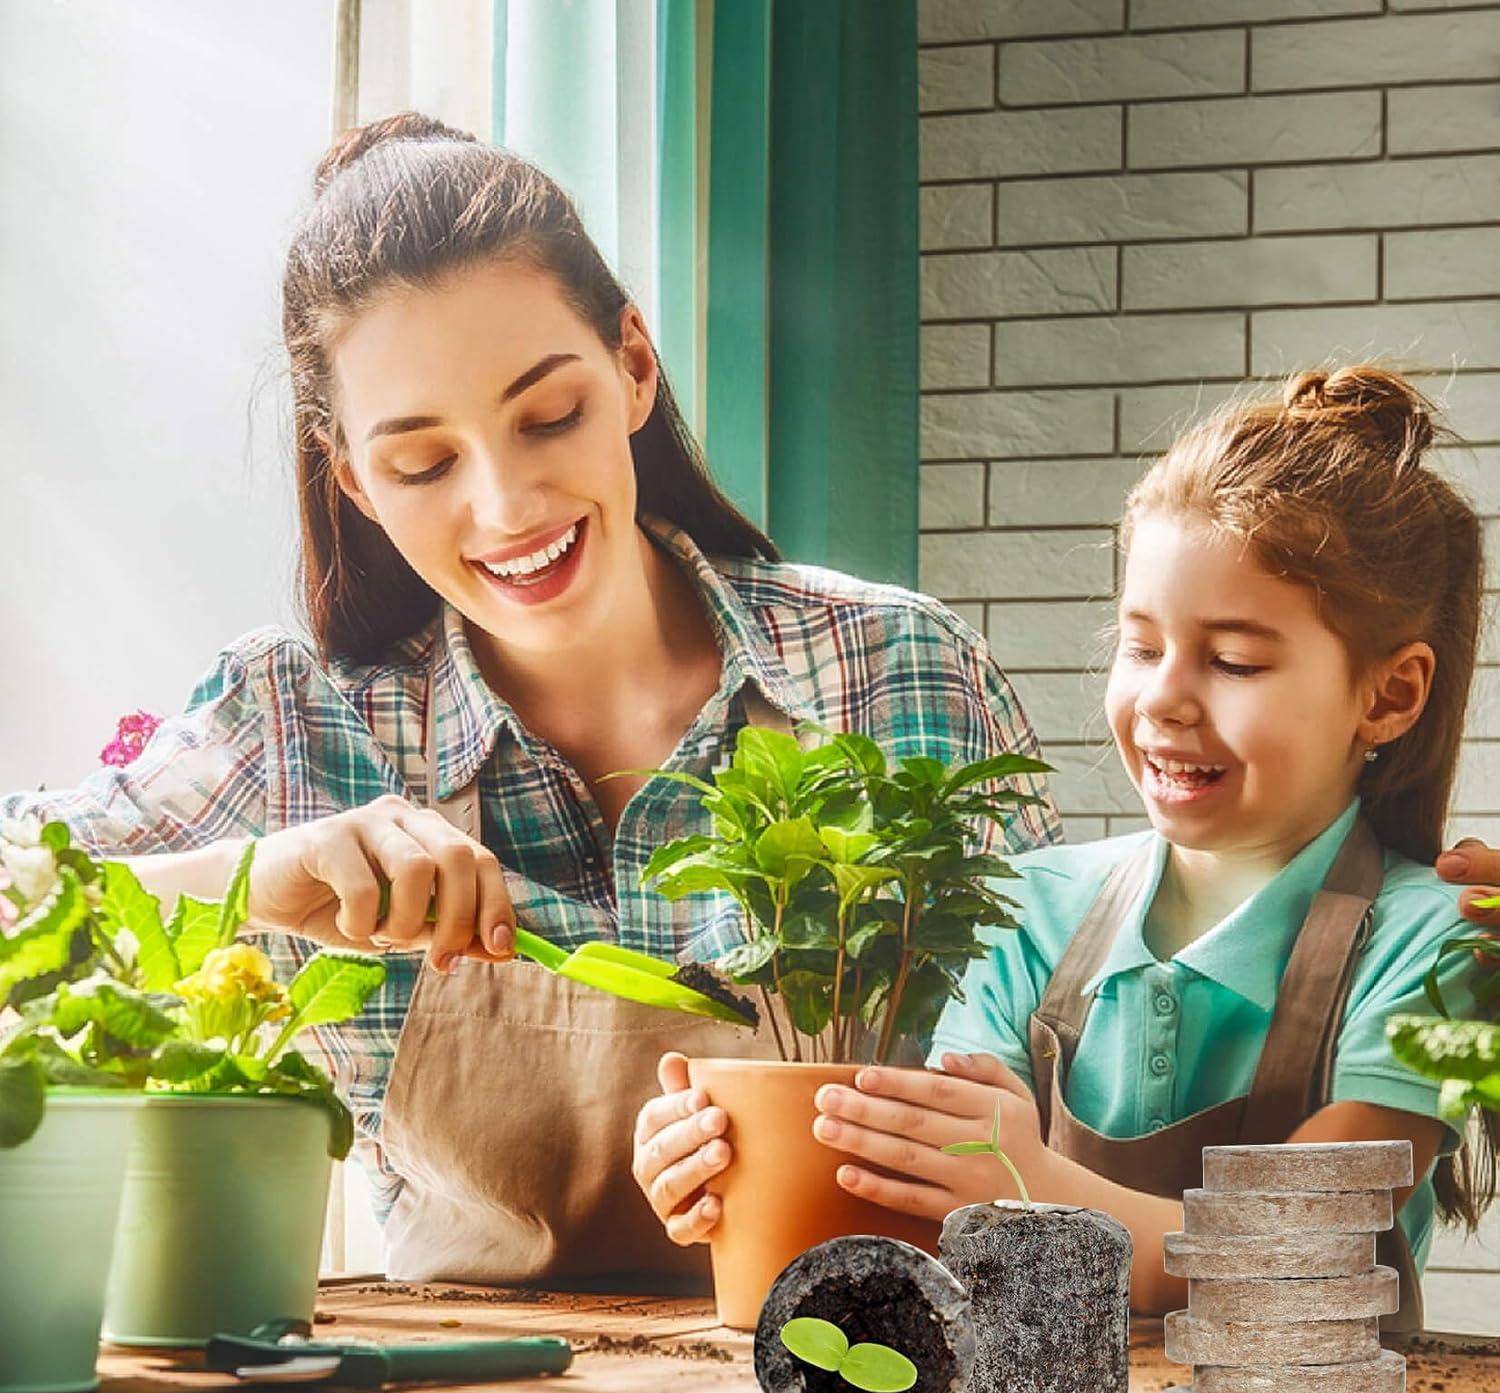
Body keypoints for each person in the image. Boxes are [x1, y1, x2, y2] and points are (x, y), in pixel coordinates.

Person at [0, 112, 1058, 1290]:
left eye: (547, 415)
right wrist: (257, 876)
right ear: (353, 476)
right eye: (423, 463)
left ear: (634, 367)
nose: (506, 506)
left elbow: (1069, 1109)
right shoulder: (300, 724)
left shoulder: (894, 674)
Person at [635, 365, 1497, 1328]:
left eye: (1234, 661)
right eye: (1140, 646)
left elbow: (1312, 1243)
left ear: (1389, 696)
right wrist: (720, 1165)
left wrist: (1035, 1185)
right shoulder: (1027, 906)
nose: (1164, 697)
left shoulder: (1440, 945)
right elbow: (925, 1212)